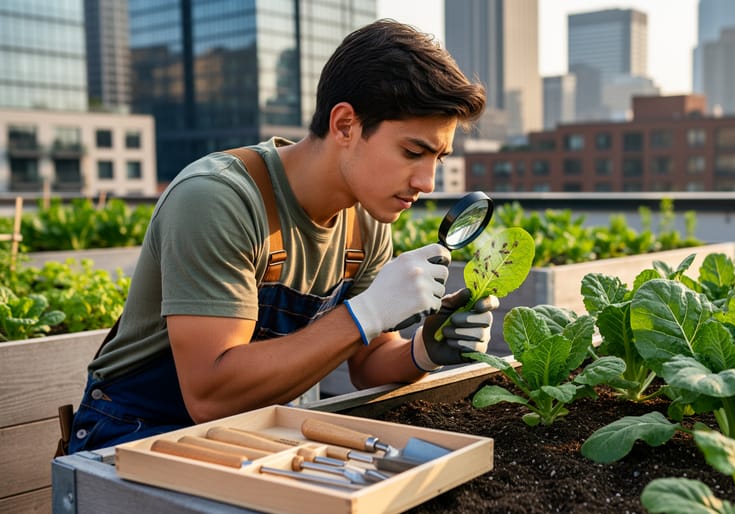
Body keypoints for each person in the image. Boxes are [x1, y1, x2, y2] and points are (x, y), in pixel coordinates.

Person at [68, 19, 495, 453]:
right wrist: (366, 312)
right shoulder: (219, 199)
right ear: (345, 125)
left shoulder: (367, 221)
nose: (427, 182)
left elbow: (367, 361)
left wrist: (424, 351)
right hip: (132, 434)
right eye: (412, 152)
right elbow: (210, 396)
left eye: (438, 158)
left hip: (253, 433)